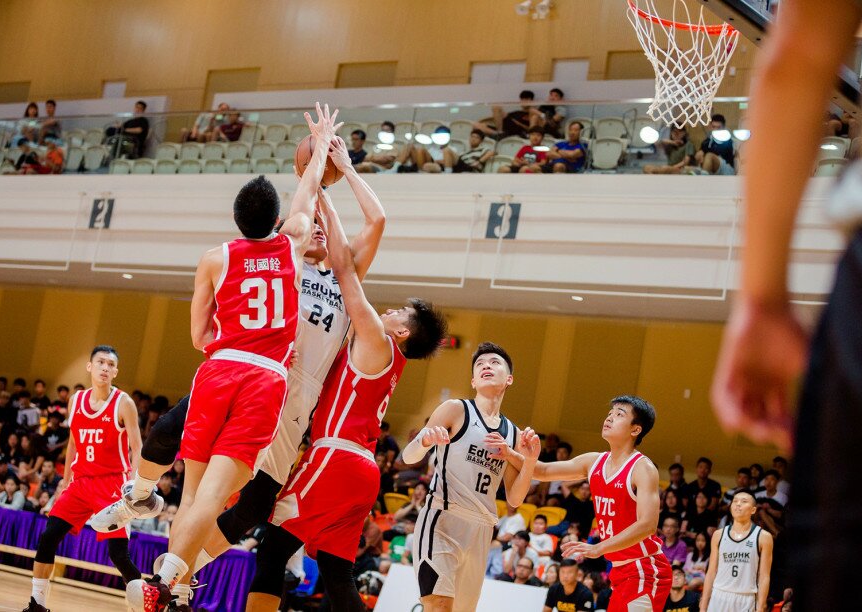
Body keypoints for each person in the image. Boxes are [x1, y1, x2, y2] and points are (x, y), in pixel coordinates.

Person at [91, 132, 387, 610]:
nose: (315, 232)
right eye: (310, 226)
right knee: (168, 432)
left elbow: (373, 222)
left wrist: (335, 176)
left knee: (249, 507)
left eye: (322, 231)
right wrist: (313, 181)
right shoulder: (281, 260)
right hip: (258, 374)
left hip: (290, 400)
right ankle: (138, 497)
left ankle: (176, 578)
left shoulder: (343, 277)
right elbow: (295, 220)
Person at [247, 186, 448, 612]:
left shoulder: (376, 338)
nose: (388, 310)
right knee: (338, 573)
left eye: (397, 313)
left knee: (271, 550)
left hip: (335, 458)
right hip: (361, 469)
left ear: (402, 332)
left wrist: (324, 199)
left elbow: (344, 269)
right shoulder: (388, 358)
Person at [399, 342, 541, 612]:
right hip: (443, 518)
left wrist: (530, 461)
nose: (487, 365)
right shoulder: (455, 409)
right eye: (480, 364)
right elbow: (409, 456)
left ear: (509, 379)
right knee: (438, 605)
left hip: (481, 529)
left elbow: (515, 497)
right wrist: (424, 441)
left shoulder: (514, 434)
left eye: (494, 362)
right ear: (473, 380)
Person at [495, 395, 672, 610]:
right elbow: (542, 470)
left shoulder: (643, 469)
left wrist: (599, 548)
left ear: (635, 430)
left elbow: (647, 525)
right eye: (610, 413)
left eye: (619, 414)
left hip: (645, 569)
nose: (609, 418)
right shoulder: (593, 461)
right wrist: (508, 452)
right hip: (621, 570)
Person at [21, 345, 144, 612]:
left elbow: (137, 448)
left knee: (118, 555)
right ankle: (37, 603)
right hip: (80, 482)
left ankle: (150, 602)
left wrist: (134, 486)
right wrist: (65, 480)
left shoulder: (124, 403)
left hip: (112, 485)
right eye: (100, 362)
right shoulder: (75, 400)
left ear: (115, 371)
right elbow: (73, 443)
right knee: (48, 537)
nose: (105, 368)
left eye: (110, 364)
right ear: (89, 367)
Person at [700, 491, 773, 612]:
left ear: (753, 510)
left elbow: (764, 576)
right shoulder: (718, 534)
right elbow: (711, 572)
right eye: (735, 501)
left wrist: (761, 607)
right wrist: (703, 606)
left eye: (744, 501)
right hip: (719, 595)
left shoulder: (763, 537)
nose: (738, 504)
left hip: (746, 597)